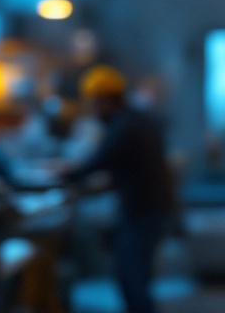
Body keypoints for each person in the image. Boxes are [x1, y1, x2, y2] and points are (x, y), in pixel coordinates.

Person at [63, 66, 173, 313]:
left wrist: (64, 174)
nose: (93, 110)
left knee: (131, 279)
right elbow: (124, 169)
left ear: (104, 101)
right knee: (135, 277)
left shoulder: (124, 127)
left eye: (94, 104)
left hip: (143, 211)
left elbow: (97, 162)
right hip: (147, 208)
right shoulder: (133, 120)